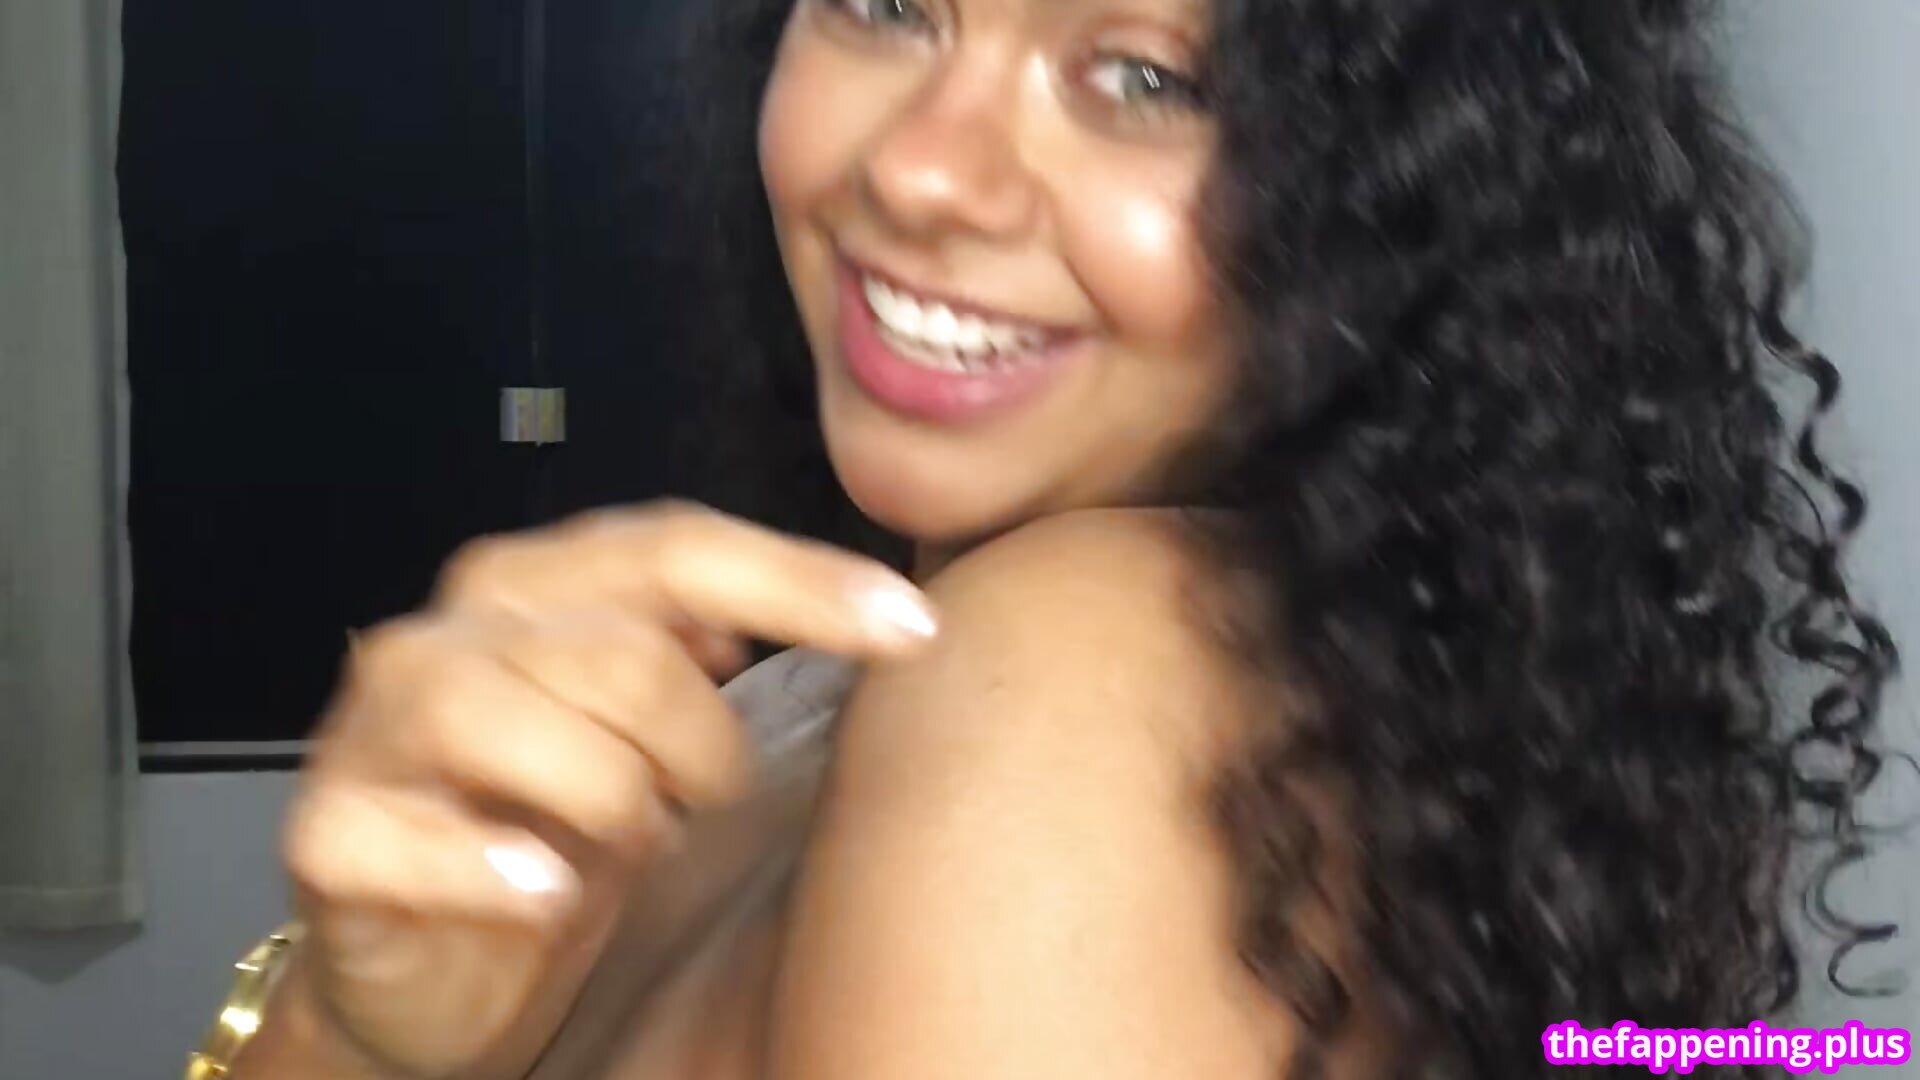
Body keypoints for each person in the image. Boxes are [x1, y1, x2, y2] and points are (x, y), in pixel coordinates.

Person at [207, 0, 1902, 1077]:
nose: (923, 174)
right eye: (890, 1)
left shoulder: (1066, 678)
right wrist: (353, 1030)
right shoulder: (818, 686)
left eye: (1146, 77)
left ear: (1401, 206)